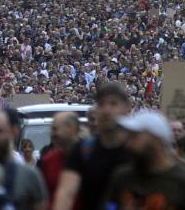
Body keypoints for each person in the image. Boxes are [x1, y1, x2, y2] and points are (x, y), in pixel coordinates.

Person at [104, 109, 185, 209]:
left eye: (134, 136)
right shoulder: (122, 177)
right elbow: (110, 206)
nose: (128, 144)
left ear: (156, 140)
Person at [53, 82, 132, 210]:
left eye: (113, 104)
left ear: (127, 108)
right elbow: (66, 193)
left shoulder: (139, 150)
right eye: (101, 104)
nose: (106, 110)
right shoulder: (83, 150)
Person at [38, 111, 80, 207]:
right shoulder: (48, 160)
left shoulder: (88, 157)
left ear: (71, 129)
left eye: (55, 129)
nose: (52, 134)